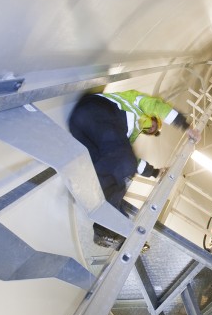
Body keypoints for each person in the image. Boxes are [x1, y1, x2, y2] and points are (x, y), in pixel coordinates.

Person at [69, 89, 201, 248]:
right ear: (153, 118)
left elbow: (131, 161)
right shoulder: (137, 104)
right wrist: (185, 126)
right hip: (97, 109)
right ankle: (105, 227)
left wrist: (156, 172)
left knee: (117, 179)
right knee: (124, 164)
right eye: (154, 125)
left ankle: (114, 229)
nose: (152, 129)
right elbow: (156, 105)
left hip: (80, 128)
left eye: (153, 131)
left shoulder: (126, 135)